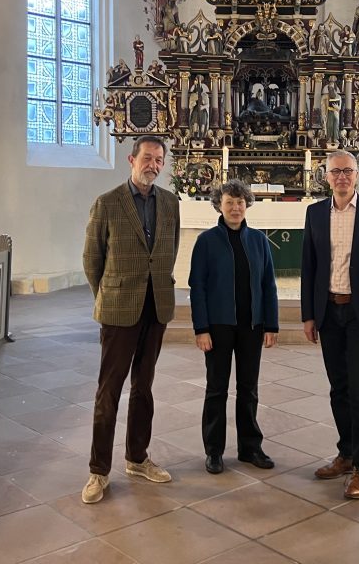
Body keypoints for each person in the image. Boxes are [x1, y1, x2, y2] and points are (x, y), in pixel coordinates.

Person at [81, 136, 180, 504]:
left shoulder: (170, 203)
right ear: (131, 159)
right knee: (108, 392)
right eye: (147, 158)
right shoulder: (107, 203)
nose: (153, 165)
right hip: (120, 309)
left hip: (156, 308)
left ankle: (137, 458)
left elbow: (167, 253)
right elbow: (92, 260)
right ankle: (98, 471)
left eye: (158, 159)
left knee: (144, 388)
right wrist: (108, 297)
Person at [300, 150, 359, 500]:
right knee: (338, 388)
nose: (341, 177)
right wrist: (308, 314)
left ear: (357, 175)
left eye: (348, 171)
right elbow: (308, 266)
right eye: (335, 171)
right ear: (326, 176)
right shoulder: (314, 213)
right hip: (329, 311)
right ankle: (346, 453)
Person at [189, 179, 280, 474]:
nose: (235, 207)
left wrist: (271, 324)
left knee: (249, 389)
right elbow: (198, 286)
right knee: (217, 389)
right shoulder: (206, 241)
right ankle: (214, 451)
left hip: (251, 325)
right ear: (219, 205)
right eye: (229, 202)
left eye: (240, 202)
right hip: (218, 326)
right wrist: (201, 328)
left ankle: (250, 447)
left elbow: (268, 284)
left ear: (247, 204)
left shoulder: (259, 241)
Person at [323, 75, 342, 146]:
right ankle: (329, 138)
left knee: (336, 125)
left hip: (336, 112)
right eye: (329, 88)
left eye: (331, 88)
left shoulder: (339, 97)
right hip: (329, 112)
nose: (330, 89)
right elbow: (323, 103)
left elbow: (339, 108)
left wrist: (336, 107)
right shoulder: (326, 96)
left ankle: (335, 138)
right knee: (329, 125)